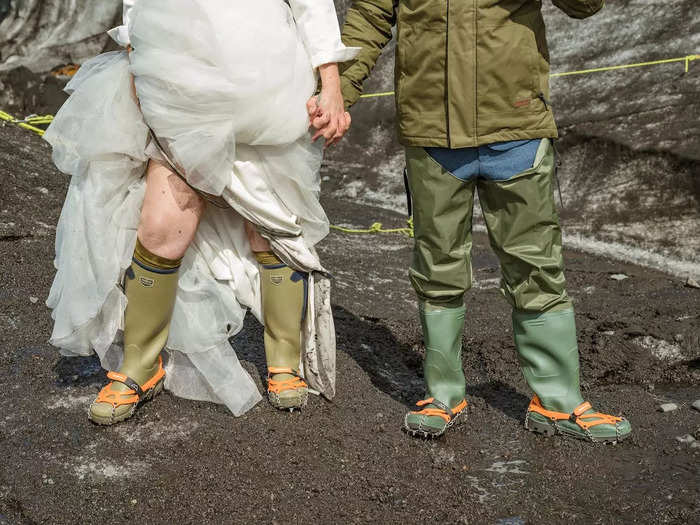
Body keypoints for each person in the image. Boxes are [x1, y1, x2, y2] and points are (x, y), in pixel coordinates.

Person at [44, 0, 359, 424]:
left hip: (270, 87)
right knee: (161, 226)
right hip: (183, 84)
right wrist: (139, 54)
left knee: (271, 227)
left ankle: (285, 359)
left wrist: (331, 83)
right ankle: (141, 366)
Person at [334, 0, 632, 442]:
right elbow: (370, 16)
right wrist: (337, 89)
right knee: (437, 267)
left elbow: (585, 6)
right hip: (433, 134)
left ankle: (559, 402)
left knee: (536, 266)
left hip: (516, 126)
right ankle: (443, 395)